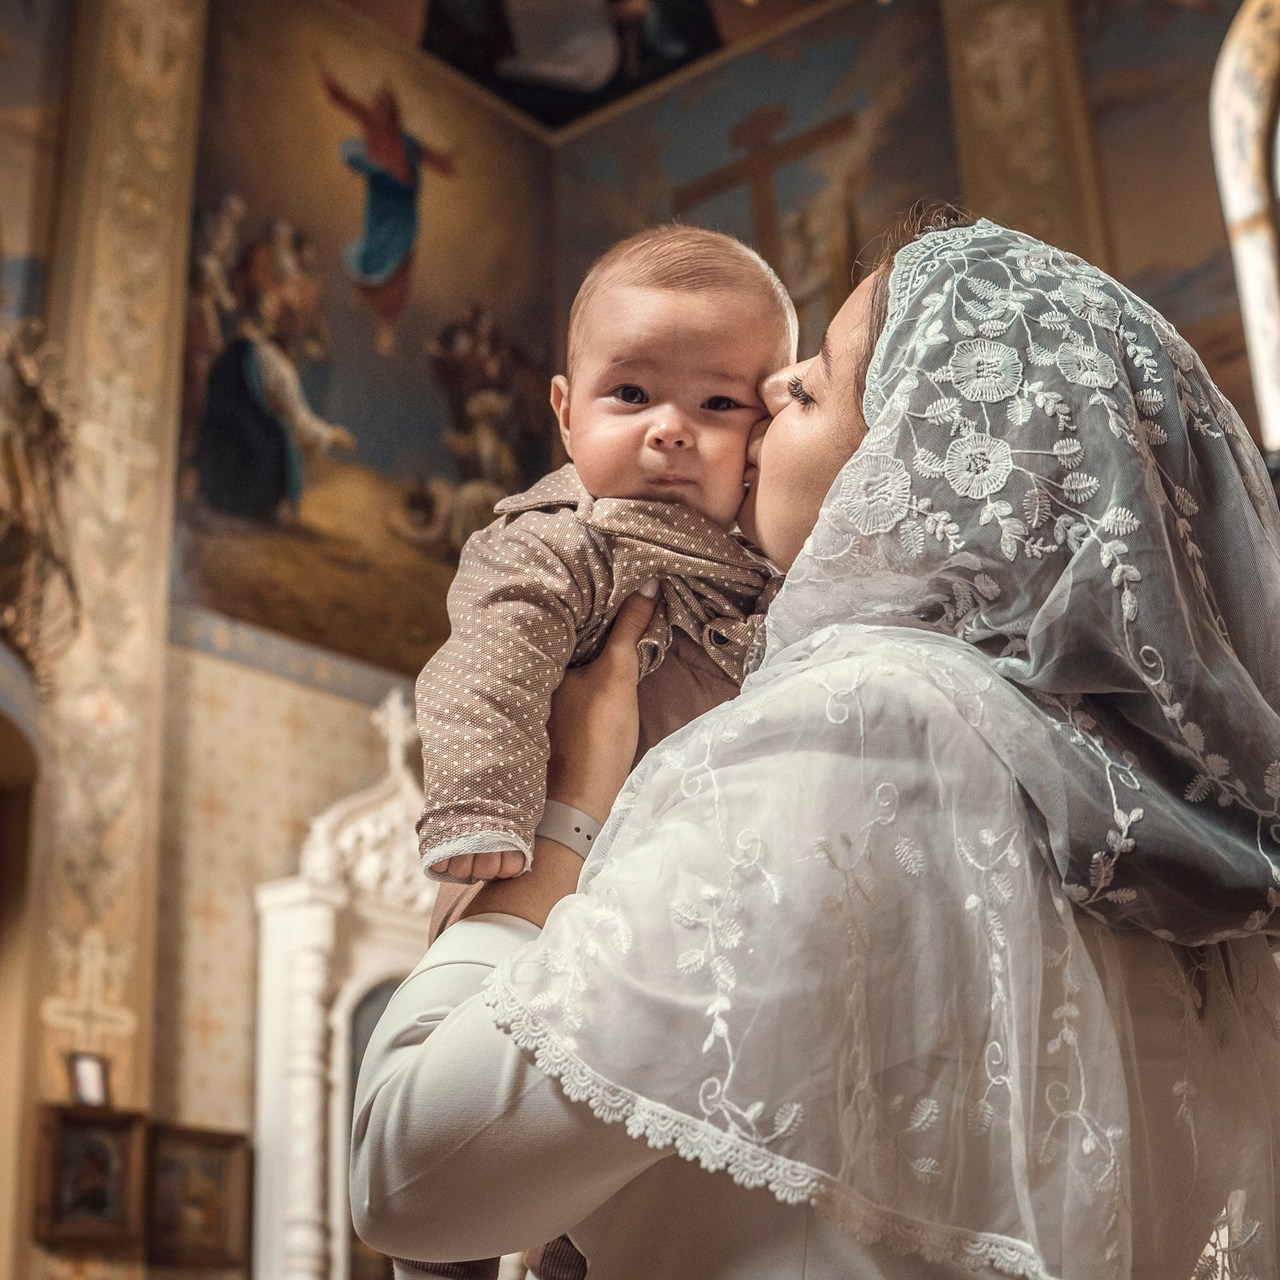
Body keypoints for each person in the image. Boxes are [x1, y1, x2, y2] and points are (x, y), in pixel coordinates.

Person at [353, 211, 1280, 1279]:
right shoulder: (1140, 819)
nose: (767, 397)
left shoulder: (866, 723)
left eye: (805, 388)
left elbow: (408, 1174)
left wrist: (566, 807)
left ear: (909, 458)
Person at [416, 226, 794, 885]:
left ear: (767, 430)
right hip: (539, 873)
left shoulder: (767, 569)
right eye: (633, 394)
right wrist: (481, 805)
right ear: (566, 415)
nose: (670, 430)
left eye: (718, 402)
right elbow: (488, 663)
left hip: (700, 882)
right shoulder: (558, 543)